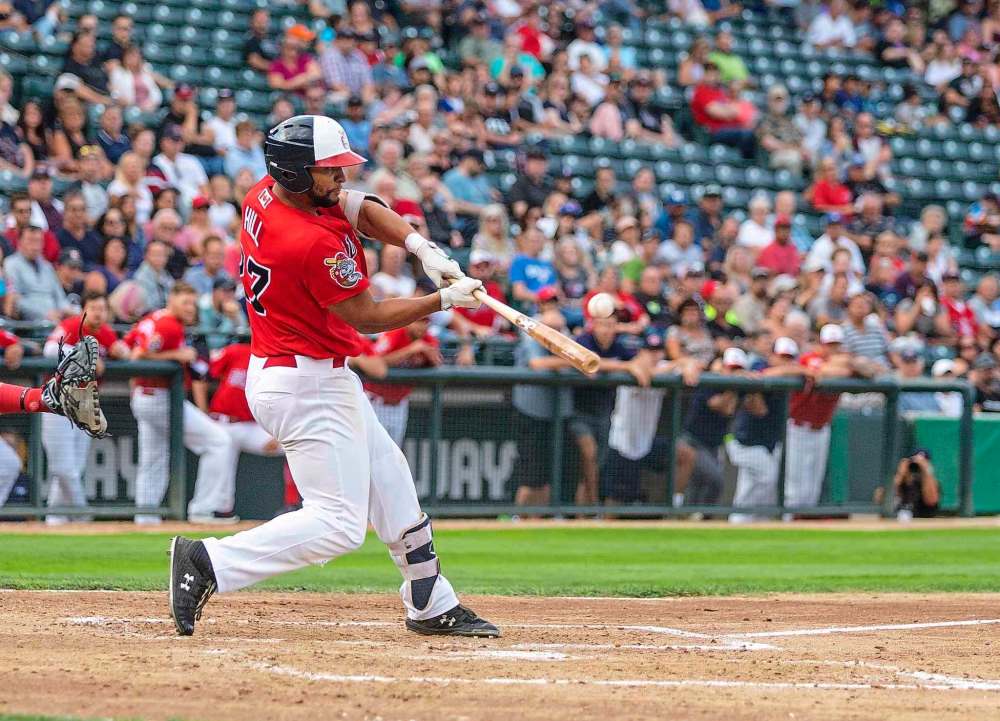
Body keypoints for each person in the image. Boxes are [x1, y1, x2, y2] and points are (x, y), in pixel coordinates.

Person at [168, 115, 498, 639]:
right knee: (339, 526)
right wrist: (441, 300)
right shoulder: (308, 242)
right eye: (330, 172)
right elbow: (365, 317)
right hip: (305, 383)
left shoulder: (266, 194)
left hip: (302, 370)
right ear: (298, 173)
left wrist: (420, 248)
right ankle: (207, 562)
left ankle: (430, 600)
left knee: (390, 476)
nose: (341, 180)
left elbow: (360, 207)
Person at [126, 282, 236, 525]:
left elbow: (128, 345)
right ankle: (203, 509)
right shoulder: (169, 325)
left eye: (193, 303)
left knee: (153, 461)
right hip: (161, 398)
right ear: (172, 299)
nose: (190, 308)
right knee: (219, 441)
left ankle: (145, 519)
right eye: (185, 302)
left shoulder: (154, 318)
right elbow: (137, 356)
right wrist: (175, 355)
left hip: (145, 396)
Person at [41, 292, 128, 524]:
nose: (98, 313)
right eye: (94, 308)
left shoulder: (106, 332)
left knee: (74, 469)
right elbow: (49, 349)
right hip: (57, 400)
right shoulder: (71, 325)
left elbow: (124, 350)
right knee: (63, 468)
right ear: (84, 309)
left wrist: (122, 351)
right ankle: (81, 516)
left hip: (86, 402)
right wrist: (85, 356)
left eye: (102, 308)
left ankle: (54, 520)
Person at [782, 325, 856, 515]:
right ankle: (789, 527)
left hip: (821, 428)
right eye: (829, 345)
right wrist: (840, 365)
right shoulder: (809, 358)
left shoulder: (845, 360)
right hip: (798, 428)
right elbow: (818, 373)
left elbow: (858, 369)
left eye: (836, 345)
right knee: (795, 486)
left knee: (813, 488)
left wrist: (844, 364)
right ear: (821, 344)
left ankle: (804, 528)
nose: (832, 349)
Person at [727, 337, 796, 523]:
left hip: (767, 442)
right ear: (772, 355)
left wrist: (792, 369)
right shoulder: (759, 365)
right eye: (781, 356)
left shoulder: (789, 374)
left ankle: (741, 522)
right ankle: (750, 518)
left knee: (749, 485)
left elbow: (797, 369)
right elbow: (759, 410)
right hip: (745, 441)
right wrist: (756, 387)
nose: (784, 361)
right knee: (767, 477)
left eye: (789, 357)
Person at [365, 317, 441, 447]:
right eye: (418, 321)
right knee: (370, 453)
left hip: (399, 404)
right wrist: (410, 350)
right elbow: (375, 362)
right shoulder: (395, 333)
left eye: (426, 322)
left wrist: (429, 355)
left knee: (393, 454)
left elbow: (437, 364)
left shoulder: (427, 339)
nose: (422, 326)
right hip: (375, 402)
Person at [5, 226, 73, 321]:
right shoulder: (11, 264)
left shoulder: (47, 266)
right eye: (31, 241)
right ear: (19, 242)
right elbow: (15, 300)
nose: (35, 246)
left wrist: (68, 310)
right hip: (30, 325)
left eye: (39, 241)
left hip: (55, 319)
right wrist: (44, 314)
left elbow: (59, 297)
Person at [878, 450, 940, 519]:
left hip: (921, 522)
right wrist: (900, 474)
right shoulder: (901, 481)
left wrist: (926, 470)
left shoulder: (932, 483)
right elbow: (881, 499)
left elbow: (931, 501)